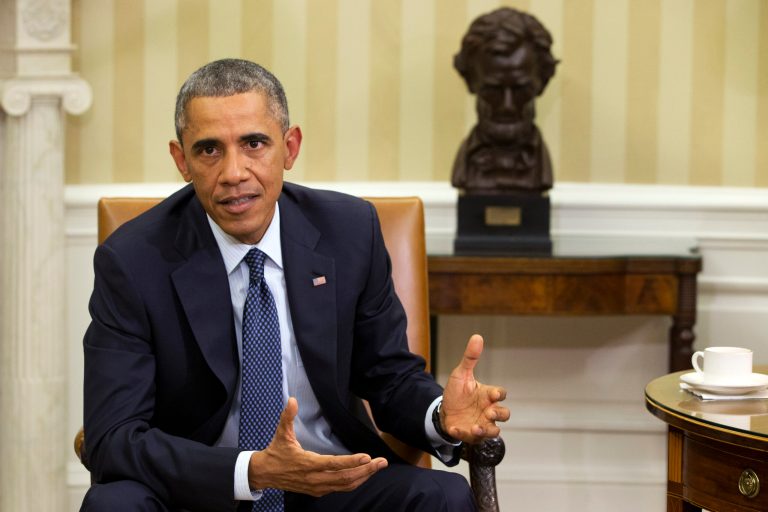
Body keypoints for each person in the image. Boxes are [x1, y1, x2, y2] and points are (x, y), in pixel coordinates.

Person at [80, 58, 508, 511]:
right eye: (209, 150)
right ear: (181, 160)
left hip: (330, 483)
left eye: (254, 144)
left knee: (442, 497)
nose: (233, 172)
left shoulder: (349, 231)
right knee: (113, 504)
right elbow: (113, 437)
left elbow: (388, 376)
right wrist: (252, 471)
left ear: (290, 147)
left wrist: (440, 415)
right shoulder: (133, 260)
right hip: (202, 490)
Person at [452, 7, 558, 194]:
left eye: (521, 90)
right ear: (470, 82)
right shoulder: (466, 167)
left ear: (542, 83)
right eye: (493, 91)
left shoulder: (540, 166)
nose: (507, 106)